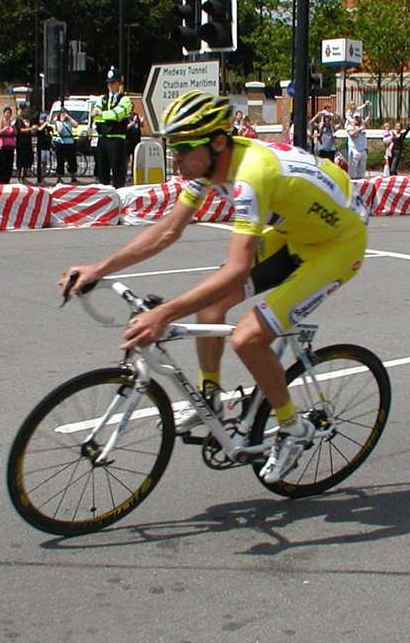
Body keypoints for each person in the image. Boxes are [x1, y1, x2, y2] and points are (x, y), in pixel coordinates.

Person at [60, 91, 369, 483]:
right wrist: (98, 269)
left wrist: (164, 313)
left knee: (247, 338)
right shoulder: (207, 167)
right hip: (295, 235)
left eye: (182, 149)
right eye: (171, 148)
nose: (175, 159)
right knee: (210, 304)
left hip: (337, 247)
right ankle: (211, 397)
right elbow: (167, 231)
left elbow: (238, 270)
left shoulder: (252, 174)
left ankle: (293, 428)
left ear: (216, 142)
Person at [91, 68, 133, 187]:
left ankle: (119, 199)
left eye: (113, 82)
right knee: (102, 173)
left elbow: (118, 114)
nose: (110, 85)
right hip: (103, 139)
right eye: (109, 83)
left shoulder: (125, 99)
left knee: (118, 173)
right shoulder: (102, 98)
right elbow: (95, 116)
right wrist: (107, 115)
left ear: (119, 84)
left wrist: (103, 114)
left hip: (117, 140)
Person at [51, 107, 79, 182]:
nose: (64, 116)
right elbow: (60, 130)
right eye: (62, 114)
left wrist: (69, 118)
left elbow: (76, 125)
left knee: (72, 161)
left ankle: (73, 177)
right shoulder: (58, 122)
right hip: (61, 143)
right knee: (60, 161)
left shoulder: (69, 121)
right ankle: (59, 178)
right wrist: (61, 121)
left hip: (70, 143)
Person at [14, 102, 36, 183]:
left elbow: (32, 128)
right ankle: (19, 177)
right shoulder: (18, 119)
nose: (26, 111)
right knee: (20, 160)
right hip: (21, 143)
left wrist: (33, 129)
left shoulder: (30, 119)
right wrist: (30, 129)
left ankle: (24, 176)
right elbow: (20, 130)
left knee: (28, 160)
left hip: (28, 142)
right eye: (24, 109)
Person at [0, 105, 17, 184]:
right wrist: (6, 127)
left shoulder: (11, 122)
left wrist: (13, 126)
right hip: (3, 146)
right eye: (7, 113)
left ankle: (7, 180)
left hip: (10, 146)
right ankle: (1, 180)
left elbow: (15, 132)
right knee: (3, 164)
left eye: (9, 113)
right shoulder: (1, 121)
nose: (8, 115)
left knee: (9, 165)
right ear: (4, 113)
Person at [346, 112, 368, 178]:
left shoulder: (363, 126)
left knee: (361, 171)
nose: (357, 119)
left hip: (363, 150)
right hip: (354, 150)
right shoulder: (349, 126)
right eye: (355, 118)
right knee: (352, 171)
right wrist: (359, 129)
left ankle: (360, 183)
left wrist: (366, 148)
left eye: (358, 117)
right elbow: (352, 134)